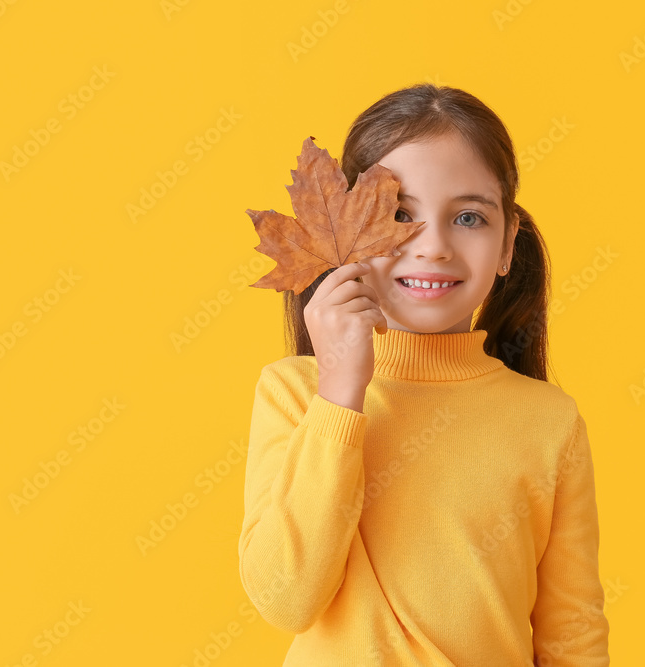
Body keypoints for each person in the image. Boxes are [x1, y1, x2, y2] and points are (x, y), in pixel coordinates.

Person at [237, 83, 609, 666]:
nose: (433, 246)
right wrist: (340, 392)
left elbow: (572, 634)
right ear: (347, 233)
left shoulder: (549, 423)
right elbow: (285, 598)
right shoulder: (294, 393)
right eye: (398, 215)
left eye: (467, 217)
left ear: (509, 242)